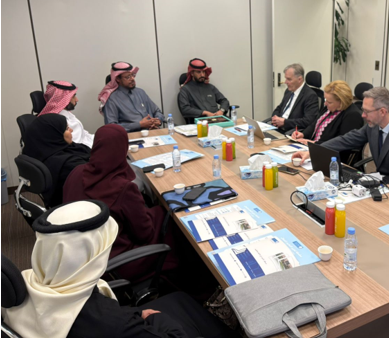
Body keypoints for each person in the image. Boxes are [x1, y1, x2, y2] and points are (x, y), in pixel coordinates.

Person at [1, 200, 235, 338]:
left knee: (180, 299)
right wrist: (155, 318)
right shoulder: (112, 324)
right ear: (95, 254)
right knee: (185, 303)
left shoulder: (26, 282)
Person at [63, 124, 216, 296]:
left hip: (83, 258)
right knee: (173, 222)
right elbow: (145, 234)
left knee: (160, 213)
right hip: (118, 262)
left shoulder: (76, 173)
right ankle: (200, 288)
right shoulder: (122, 188)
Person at [292, 87, 389, 193]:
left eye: (367, 111)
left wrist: (368, 190)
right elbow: (346, 140)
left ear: (382, 112)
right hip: (381, 181)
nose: (363, 115)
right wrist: (313, 152)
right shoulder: (374, 125)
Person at [22, 114, 90, 207]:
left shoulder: (45, 151)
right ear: (55, 135)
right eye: (66, 129)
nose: (71, 130)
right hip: (77, 206)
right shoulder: (70, 164)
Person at [291, 80, 364, 163]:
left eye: (329, 102)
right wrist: (303, 134)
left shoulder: (352, 115)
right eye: (325, 99)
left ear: (341, 102)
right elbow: (314, 124)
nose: (325, 103)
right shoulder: (329, 108)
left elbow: (342, 143)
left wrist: (315, 143)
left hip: (332, 158)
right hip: (312, 149)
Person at [100, 62, 165, 132]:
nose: (132, 79)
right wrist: (139, 124)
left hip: (153, 132)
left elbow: (157, 111)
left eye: (133, 75)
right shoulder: (111, 99)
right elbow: (111, 127)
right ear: (118, 79)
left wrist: (158, 120)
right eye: (128, 77)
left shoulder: (140, 92)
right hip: (132, 135)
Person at [39, 80, 94, 148]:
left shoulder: (66, 114)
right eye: (73, 96)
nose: (77, 100)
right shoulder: (61, 122)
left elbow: (84, 135)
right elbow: (77, 145)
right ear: (63, 99)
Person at [270, 64, 320, 133]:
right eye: (286, 78)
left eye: (289, 79)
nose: (285, 82)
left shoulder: (310, 95)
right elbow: (279, 108)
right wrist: (275, 118)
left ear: (299, 79)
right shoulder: (288, 91)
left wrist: (285, 122)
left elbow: (308, 121)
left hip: (290, 131)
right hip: (278, 127)